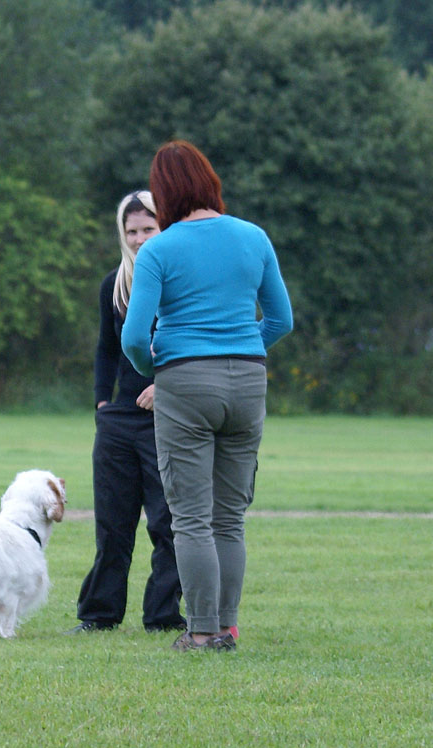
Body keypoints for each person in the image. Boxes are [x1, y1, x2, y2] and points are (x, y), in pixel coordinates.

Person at [121, 141, 293, 652]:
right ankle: (229, 625)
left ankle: (201, 631)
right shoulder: (253, 237)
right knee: (229, 516)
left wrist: (163, 369)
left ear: (166, 193)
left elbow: (133, 336)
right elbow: (281, 320)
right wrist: (240, 349)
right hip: (248, 382)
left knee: (191, 517)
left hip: (186, 384)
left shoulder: (159, 249)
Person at [66, 190, 185, 634]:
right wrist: (102, 403)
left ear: (165, 227)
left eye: (147, 229)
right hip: (118, 420)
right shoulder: (113, 284)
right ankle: (98, 615)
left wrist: (164, 386)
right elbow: (105, 349)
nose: (138, 239)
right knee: (112, 526)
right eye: (131, 231)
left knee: (166, 522)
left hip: (166, 417)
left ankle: (162, 616)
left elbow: (189, 345)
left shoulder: (180, 282)